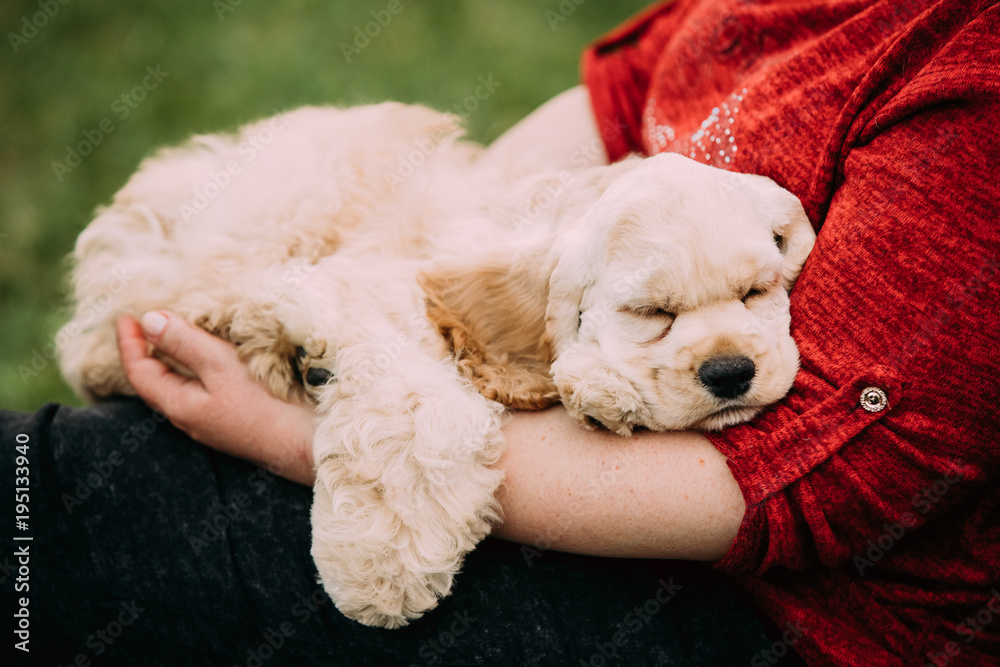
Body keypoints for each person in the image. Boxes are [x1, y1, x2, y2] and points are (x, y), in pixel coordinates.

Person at [4, 0, 998, 664]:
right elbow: (618, 101)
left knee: (70, 516)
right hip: (556, 449)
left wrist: (301, 440)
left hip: (780, 616)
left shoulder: (974, 84)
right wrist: (436, 268)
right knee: (74, 476)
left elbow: (798, 485)